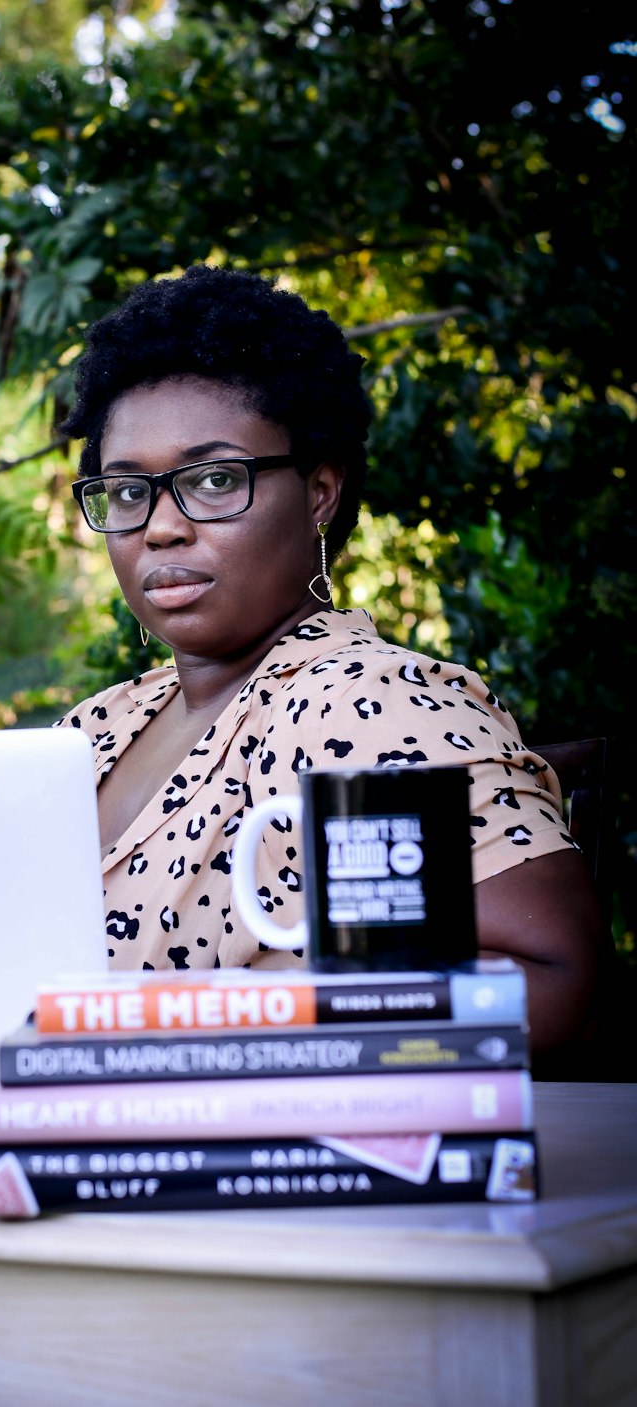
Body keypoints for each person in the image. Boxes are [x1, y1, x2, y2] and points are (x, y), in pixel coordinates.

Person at [57, 264, 601, 1059]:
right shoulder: (93, 729)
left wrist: (237, 1038)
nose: (161, 528)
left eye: (212, 480)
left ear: (318, 492)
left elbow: (555, 977)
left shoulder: (366, 704)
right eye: (129, 491)